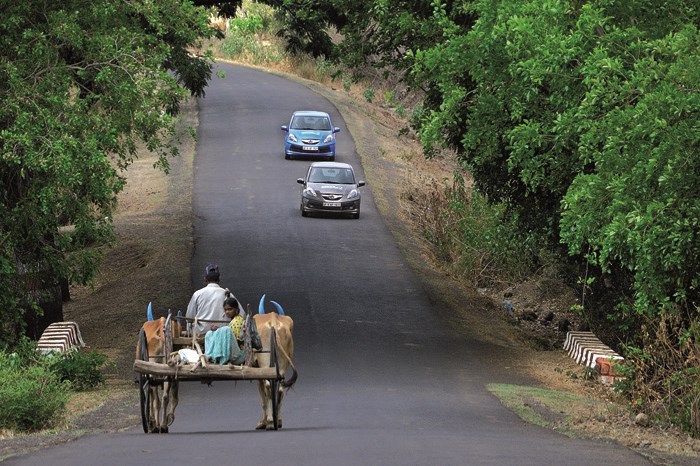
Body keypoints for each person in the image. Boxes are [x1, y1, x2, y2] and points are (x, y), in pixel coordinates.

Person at [186, 263, 244, 336]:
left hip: (201, 333)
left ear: (205, 278)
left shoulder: (197, 294)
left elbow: (189, 318)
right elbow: (242, 315)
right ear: (219, 278)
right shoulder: (227, 294)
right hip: (223, 333)